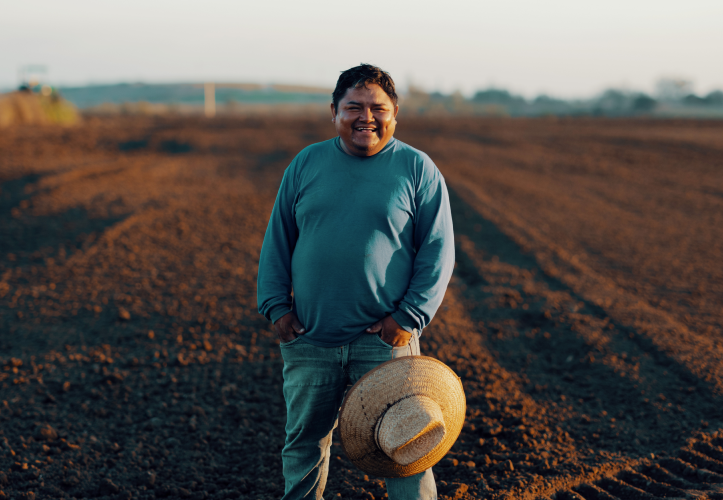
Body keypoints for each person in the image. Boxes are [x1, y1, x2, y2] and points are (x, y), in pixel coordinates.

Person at [257, 63, 455, 500]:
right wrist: (277, 308)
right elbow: (278, 240)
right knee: (304, 445)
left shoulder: (416, 169)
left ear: (395, 114)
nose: (366, 116)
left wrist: (407, 318)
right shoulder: (306, 164)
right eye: (354, 107)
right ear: (334, 112)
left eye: (377, 108)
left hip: (385, 342)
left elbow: (438, 252)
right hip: (311, 337)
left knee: (408, 446)